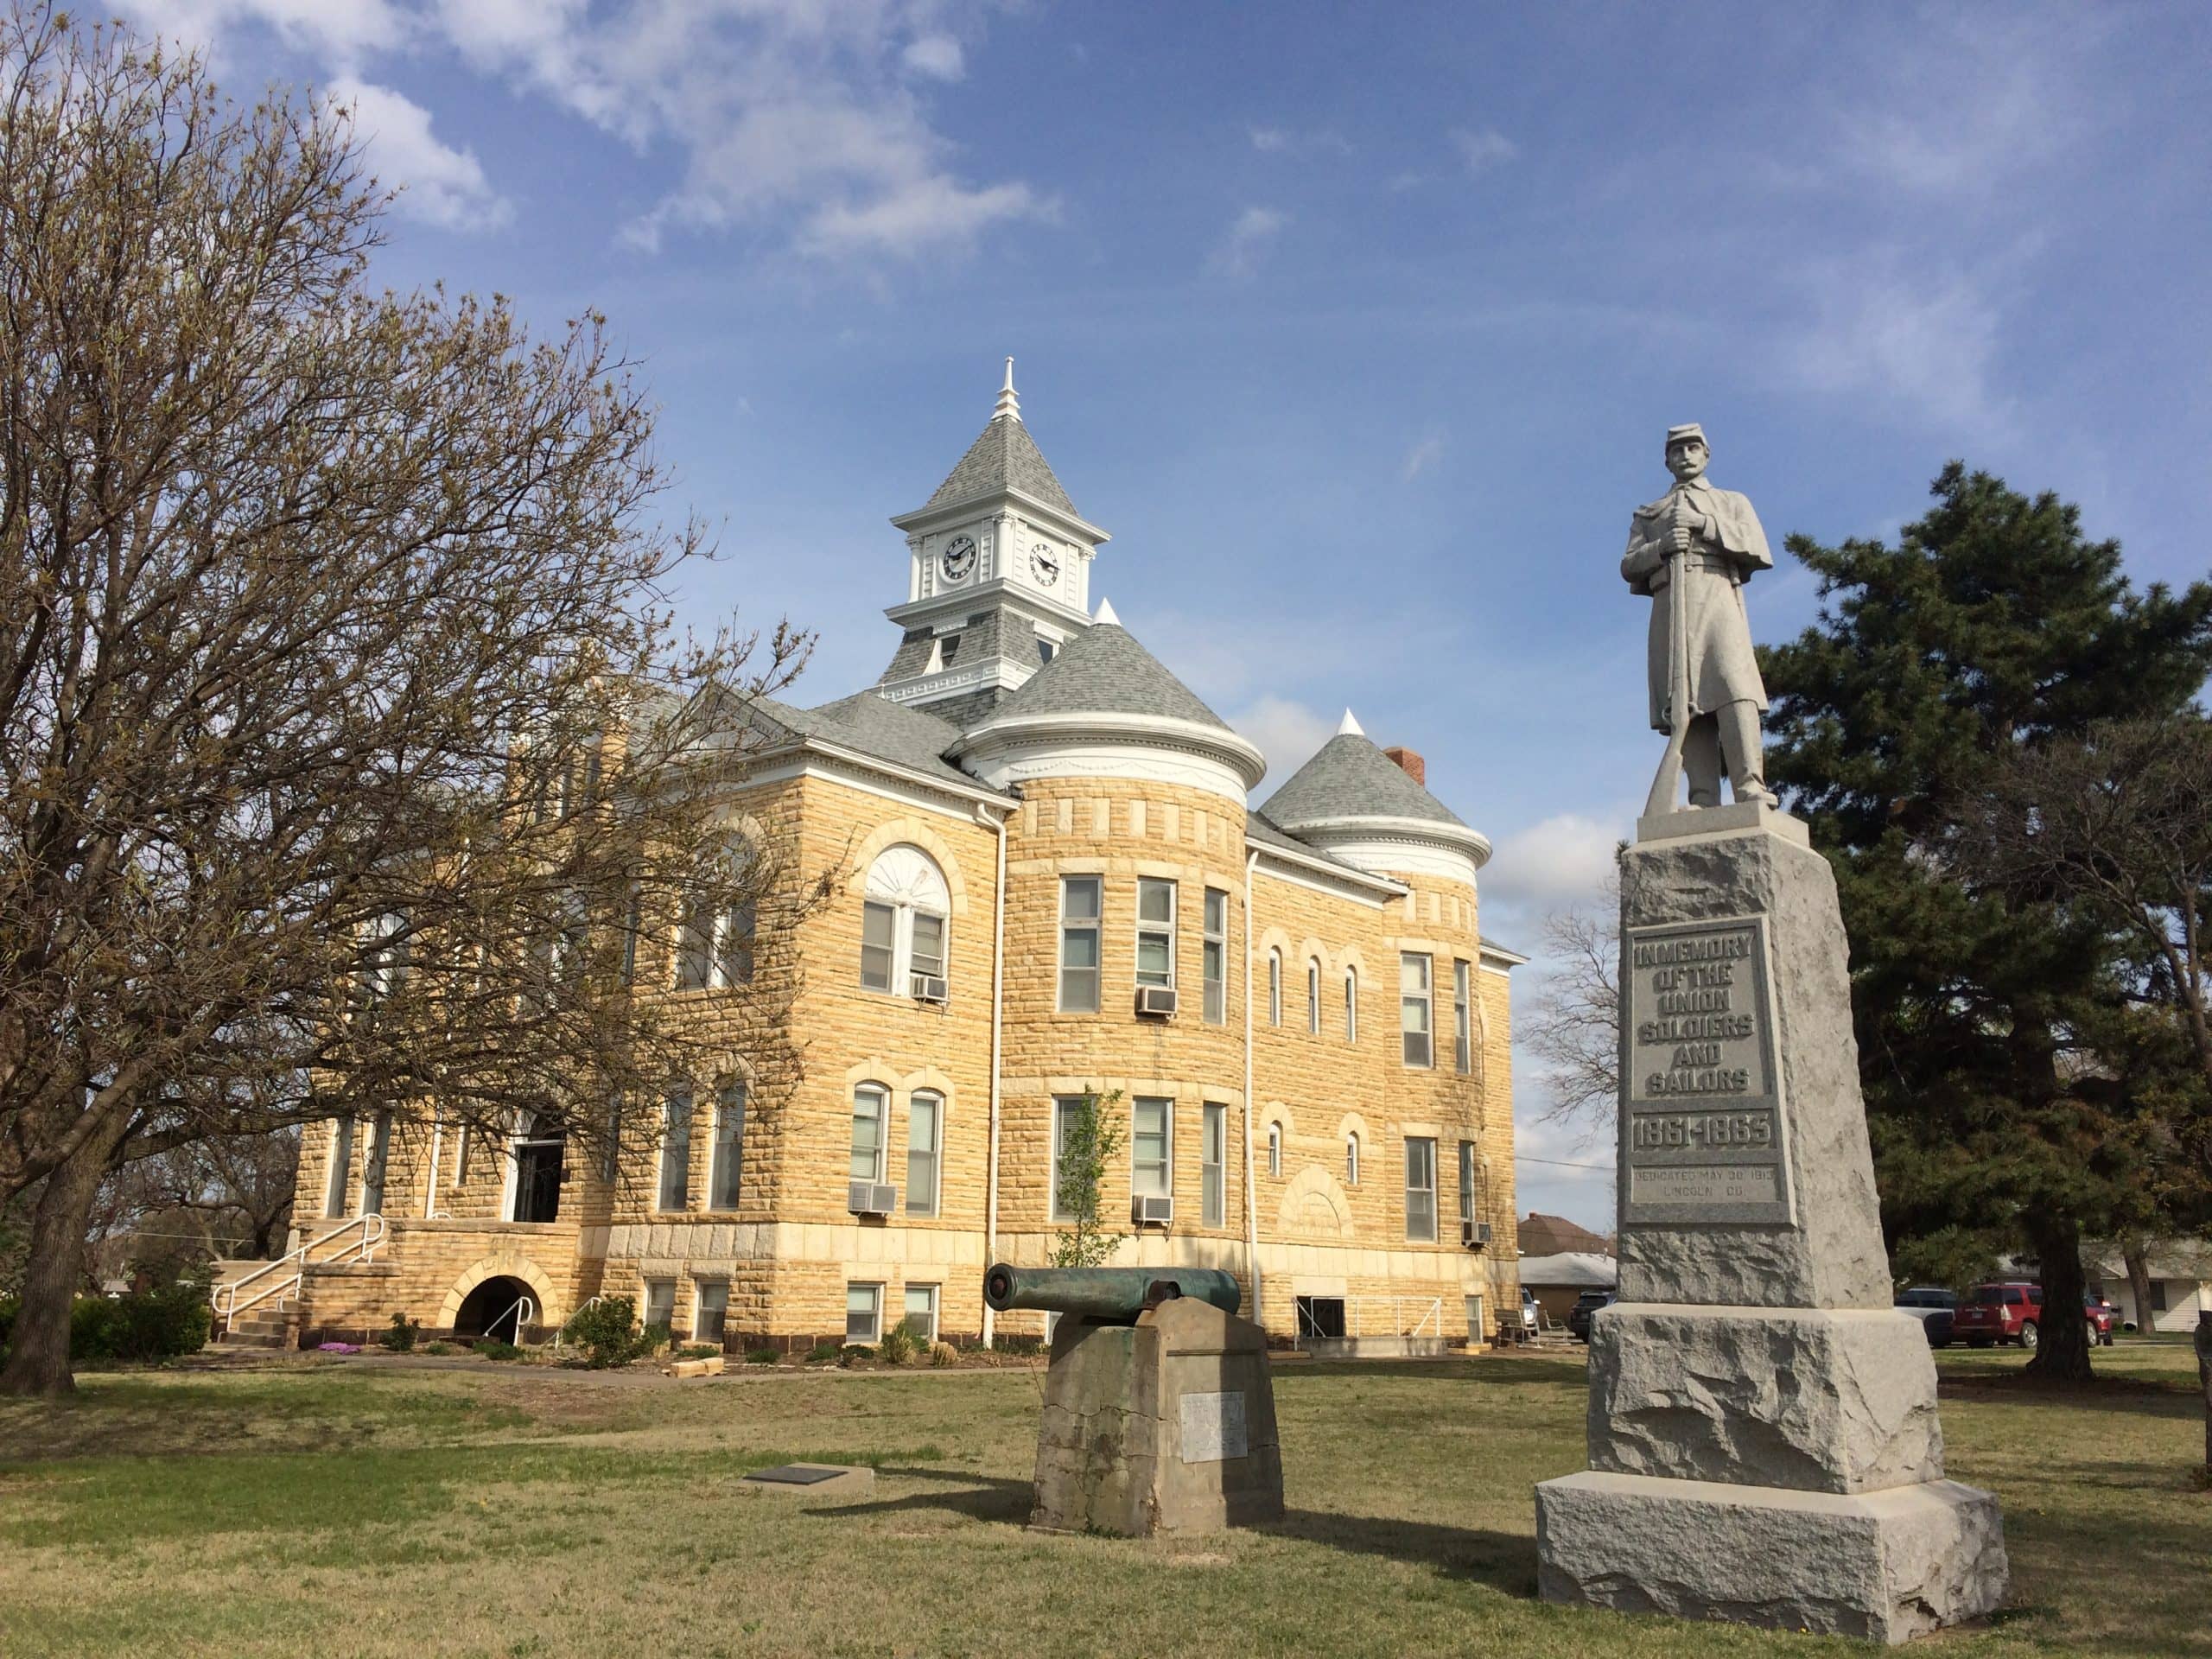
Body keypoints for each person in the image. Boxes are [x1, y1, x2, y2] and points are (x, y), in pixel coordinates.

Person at [1621, 424, 1778, 809]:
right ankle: (1704, 797)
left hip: (1717, 594)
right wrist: (1660, 547)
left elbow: (1757, 546)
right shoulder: (1650, 513)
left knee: (1734, 687)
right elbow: (1628, 565)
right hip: (1669, 603)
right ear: (1667, 460)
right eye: (1677, 450)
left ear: (1706, 455)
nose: (1685, 455)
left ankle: (1749, 786)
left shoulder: (1731, 502)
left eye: (1693, 448)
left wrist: (1704, 525)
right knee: (1683, 703)